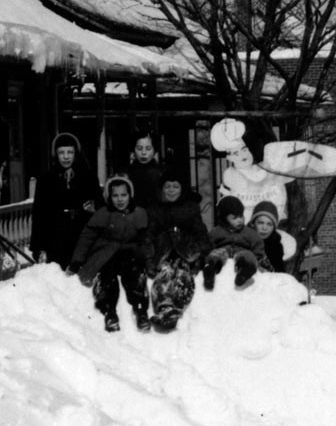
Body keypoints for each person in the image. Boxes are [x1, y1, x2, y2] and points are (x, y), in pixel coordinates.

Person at [70, 176, 151, 332]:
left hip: (129, 252)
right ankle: (110, 311)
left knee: (135, 274)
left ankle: (141, 310)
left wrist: (148, 259)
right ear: (109, 197)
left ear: (130, 195)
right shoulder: (103, 213)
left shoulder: (139, 213)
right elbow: (87, 237)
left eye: (123, 195)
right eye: (115, 196)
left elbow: (146, 239)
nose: (120, 200)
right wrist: (76, 261)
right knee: (107, 276)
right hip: (106, 252)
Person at [145, 174, 209, 332]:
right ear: (162, 189)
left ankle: (176, 307)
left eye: (175, 187)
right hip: (163, 251)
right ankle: (164, 308)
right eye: (167, 187)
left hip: (185, 251)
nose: (171, 190)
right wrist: (149, 256)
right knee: (165, 274)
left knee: (181, 273)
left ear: (182, 190)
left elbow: (201, 235)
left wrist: (199, 254)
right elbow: (148, 235)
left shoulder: (190, 208)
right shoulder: (155, 209)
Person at [32, 133, 100, 267]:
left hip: (81, 235)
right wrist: (38, 247)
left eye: (70, 152)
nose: (66, 156)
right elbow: (39, 214)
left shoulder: (88, 176)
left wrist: (94, 207)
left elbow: (101, 205)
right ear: (55, 154)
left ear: (76, 154)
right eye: (61, 152)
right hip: (55, 237)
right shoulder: (46, 179)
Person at [203, 195, 266, 291]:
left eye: (241, 216)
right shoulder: (216, 232)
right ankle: (210, 273)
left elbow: (258, 245)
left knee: (248, 255)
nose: (239, 220)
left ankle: (245, 272)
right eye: (234, 218)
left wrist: (258, 258)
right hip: (224, 254)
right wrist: (209, 255)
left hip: (242, 254)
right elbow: (207, 245)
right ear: (224, 218)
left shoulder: (249, 233)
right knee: (216, 254)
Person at [125, 133, 165, 211]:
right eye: (139, 148)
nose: (143, 153)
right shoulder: (127, 174)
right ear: (133, 150)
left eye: (148, 148)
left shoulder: (161, 173)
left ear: (154, 150)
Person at [249, 200, 287, 272]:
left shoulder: (276, 246)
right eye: (260, 223)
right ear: (253, 224)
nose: (264, 228)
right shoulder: (244, 240)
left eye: (269, 224)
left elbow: (279, 272)